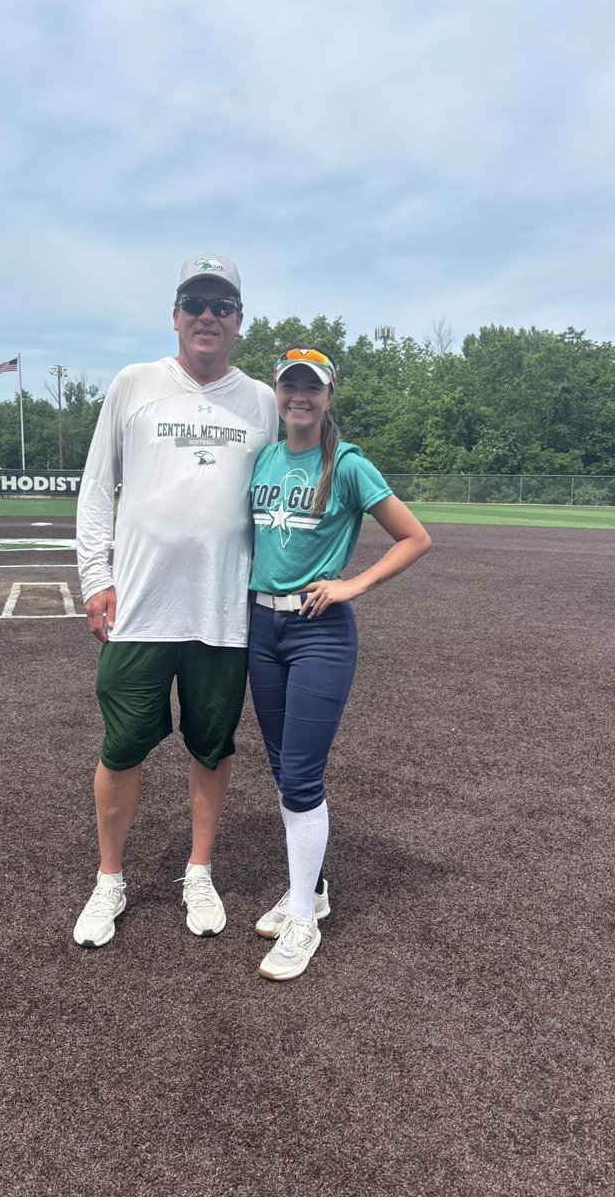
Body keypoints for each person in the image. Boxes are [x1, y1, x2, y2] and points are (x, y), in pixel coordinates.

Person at [73, 256, 278, 948]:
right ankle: (109, 879)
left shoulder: (262, 401)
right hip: (140, 605)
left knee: (211, 747)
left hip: (223, 610)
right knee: (123, 745)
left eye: (222, 305)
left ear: (239, 320)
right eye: (195, 301)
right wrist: (93, 578)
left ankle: (199, 869)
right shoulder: (134, 385)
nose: (208, 315)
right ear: (174, 313)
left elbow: (280, 494)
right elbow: (98, 488)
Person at [247, 346, 431, 980]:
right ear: (278, 392)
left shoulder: (348, 464)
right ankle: (314, 890)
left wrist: (352, 585)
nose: (299, 396)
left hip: (317, 630)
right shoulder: (264, 457)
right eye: (289, 386)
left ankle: (303, 920)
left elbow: (415, 536)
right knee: (279, 767)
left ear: (327, 396)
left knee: (300, 775)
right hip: (259, 627)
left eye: (311, 388)